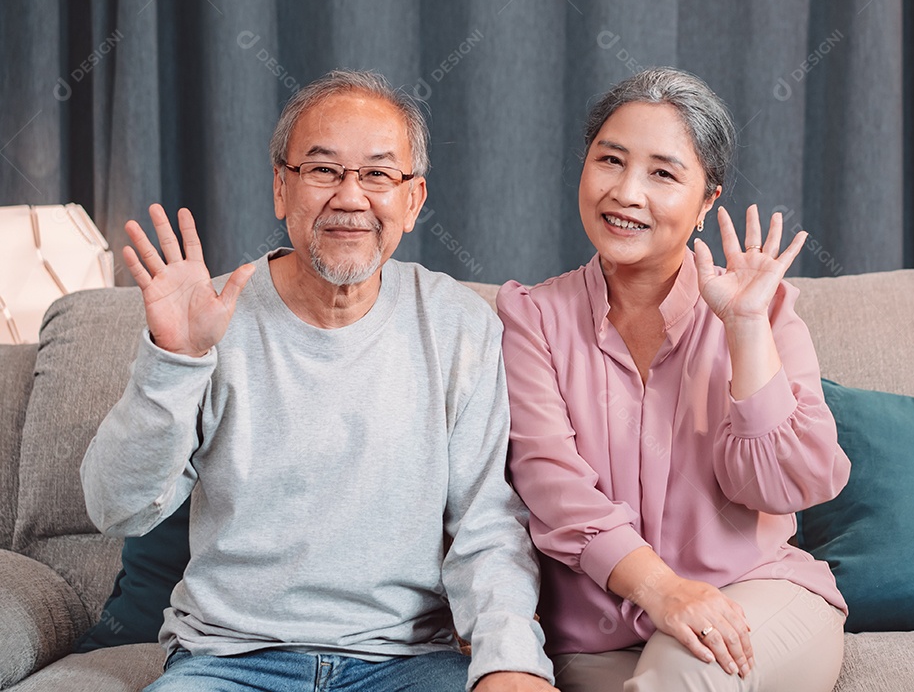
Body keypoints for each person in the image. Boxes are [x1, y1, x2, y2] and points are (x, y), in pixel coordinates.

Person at [80, 69, 556, 692]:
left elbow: (487, 526)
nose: (350, 197)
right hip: (230, 661)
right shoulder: (212, 318)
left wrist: (511, 661)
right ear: (282, 188)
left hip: (408, 664)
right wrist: (174, 361)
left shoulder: (460, 325)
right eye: (323, 170)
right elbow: (115, 508)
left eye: (379, 174)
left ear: (412, 201)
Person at [497, 67, 851, 692]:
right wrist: (661, 591)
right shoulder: (532, 317)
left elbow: (795, 481)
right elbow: (551, 484)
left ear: (707, 199)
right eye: (610, 160)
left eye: (662, 173)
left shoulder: (766, 310)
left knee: (684, 676)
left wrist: (744, 329)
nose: (627, 193)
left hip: (754, 599)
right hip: (595, 639)